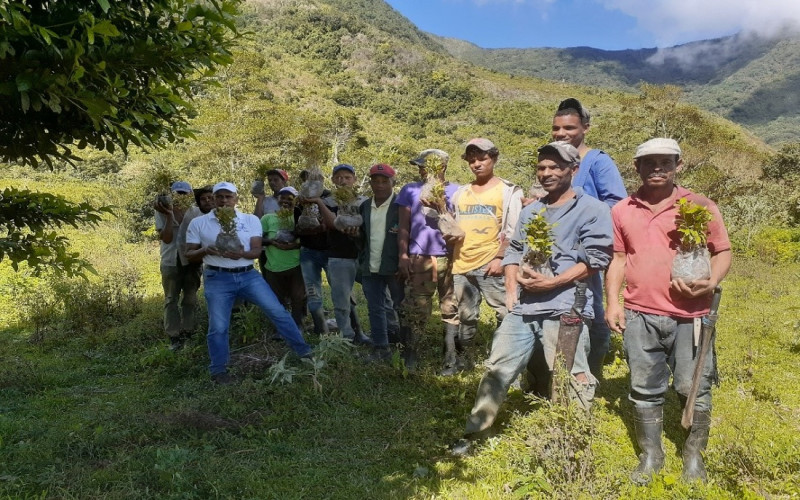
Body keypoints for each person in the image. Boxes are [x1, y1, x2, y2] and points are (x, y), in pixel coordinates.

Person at [451, 141, 612, 455]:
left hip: (567, 305)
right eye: (542, 168)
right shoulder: (532, 211)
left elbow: (595, 260)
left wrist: (552, 281)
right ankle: (477, 432)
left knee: (571, 373)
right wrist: (512, 290)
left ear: (573, 170)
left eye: (555, 167)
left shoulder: (593, 209)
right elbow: (512, 253)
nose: (547, 173)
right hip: (525, 306)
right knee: (498, 365)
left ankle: (572, 441)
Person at [605, 138, 731, 484]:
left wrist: (711, 282)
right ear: (637, 167)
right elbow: (618, 258)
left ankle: (693, 457)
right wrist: (613, 302)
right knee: (644, 386)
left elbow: (721, 251)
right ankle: (651, 455)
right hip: (640, 314)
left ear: (678, 165)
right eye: (649, 162)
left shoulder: (700, 205)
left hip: (691, 316)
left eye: (665, 162)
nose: (657, 168)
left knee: (693, 386)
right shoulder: (623, 209)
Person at [185, 182, 312, 384]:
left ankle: (304, 353)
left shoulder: (250, 220)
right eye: (220, 197)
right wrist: (205, 250)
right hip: (217, 278)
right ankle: (219, 371)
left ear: (236, 199)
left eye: (228, 196)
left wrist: (241, 254)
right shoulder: (199, 223)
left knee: (278, 312)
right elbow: (189, 254)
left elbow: (255, 251)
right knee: (218, 326)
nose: (224, 200)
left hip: (248, 275)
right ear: (214, 199)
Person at [552, 97, 627, 379]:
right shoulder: (553, 161)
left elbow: (617, 203)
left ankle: (593, 374)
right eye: (556, 128)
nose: (561, 134)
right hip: (558, 252)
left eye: (569, 128)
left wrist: (582, 220)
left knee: (593, 311)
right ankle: (562, 367)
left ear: (585, 127)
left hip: (588, 253)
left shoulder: (597, 161)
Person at [447, 138, 523, 375]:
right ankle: (465, 360)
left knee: (506, 313)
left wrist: (501, 258)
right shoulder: (461, 193)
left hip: (491, 262)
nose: (477, 164)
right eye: (472, 160)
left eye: (482, 158)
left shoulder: (508, 191)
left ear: (494, 159)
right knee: (466, 315)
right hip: (461, 264)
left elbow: (514, 229)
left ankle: (504, 362)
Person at [396, 149, 459, 371]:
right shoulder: (410, 190)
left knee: (451, 307)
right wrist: (403, 254)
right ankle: (411, 356)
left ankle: (450, 355)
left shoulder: (457, 191)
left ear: (440, 167)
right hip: (419, 257)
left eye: (426, 166)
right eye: (420, 166)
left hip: (451, 258)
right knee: (416, 308)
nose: (422, 170)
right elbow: (403, 226)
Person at [305, 164, 371, 344]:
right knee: (341, 301)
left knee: (377, 295)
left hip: (364, 255)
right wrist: (319, 201)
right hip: (339, 256)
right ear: (333, 180)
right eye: (339, 177)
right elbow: (333, 224)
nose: (343, 181)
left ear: (354, 179)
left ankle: (381, 332)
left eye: (347, 177)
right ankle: (347, 338)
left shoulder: (364, 201)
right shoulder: (328, 202)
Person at [356, 164, 404, 362]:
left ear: (393, 182)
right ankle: (380, 348)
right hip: (371, 265)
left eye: (385, 181)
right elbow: (362, 238)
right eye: (375, 181)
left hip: (394, 267)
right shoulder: (365, 206)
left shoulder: (400, 206)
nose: (380, 185)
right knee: (375, 308)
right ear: (370, 183)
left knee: (400, 307)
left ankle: (406, 347)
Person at [154, 181, 202, 351]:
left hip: (191, 261)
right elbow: (166, 238)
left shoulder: (196, 212)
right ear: (172, 195)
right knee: (170, 299)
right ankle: (174, 336)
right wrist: (168, 215)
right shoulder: (162, 210)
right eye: (177, 194)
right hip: (170, 260)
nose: (181, 197)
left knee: (190, 298)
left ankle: (189, 332)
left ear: (190, 195)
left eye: (184, 194)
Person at [261, 186, 306, 329]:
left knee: (297, 297)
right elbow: (258, 239)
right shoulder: (267, 218)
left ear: (296, 200)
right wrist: (272, 242)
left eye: (290, 198)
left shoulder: (299, 217)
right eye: (282, 197)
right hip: (273, 267)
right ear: (277, 199)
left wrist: (294, 246)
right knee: (277, 299)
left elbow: (306, 239)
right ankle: (281, 327)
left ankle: (297, 325)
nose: (285, 201)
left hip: (296, 265)